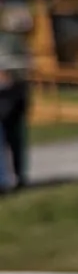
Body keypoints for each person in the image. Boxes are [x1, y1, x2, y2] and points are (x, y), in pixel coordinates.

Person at [0, 32, 29, 190]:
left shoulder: (12, 40)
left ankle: (18, 177)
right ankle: (5, 180)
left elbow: (23, 65)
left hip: (13, 95)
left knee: (15, 138)